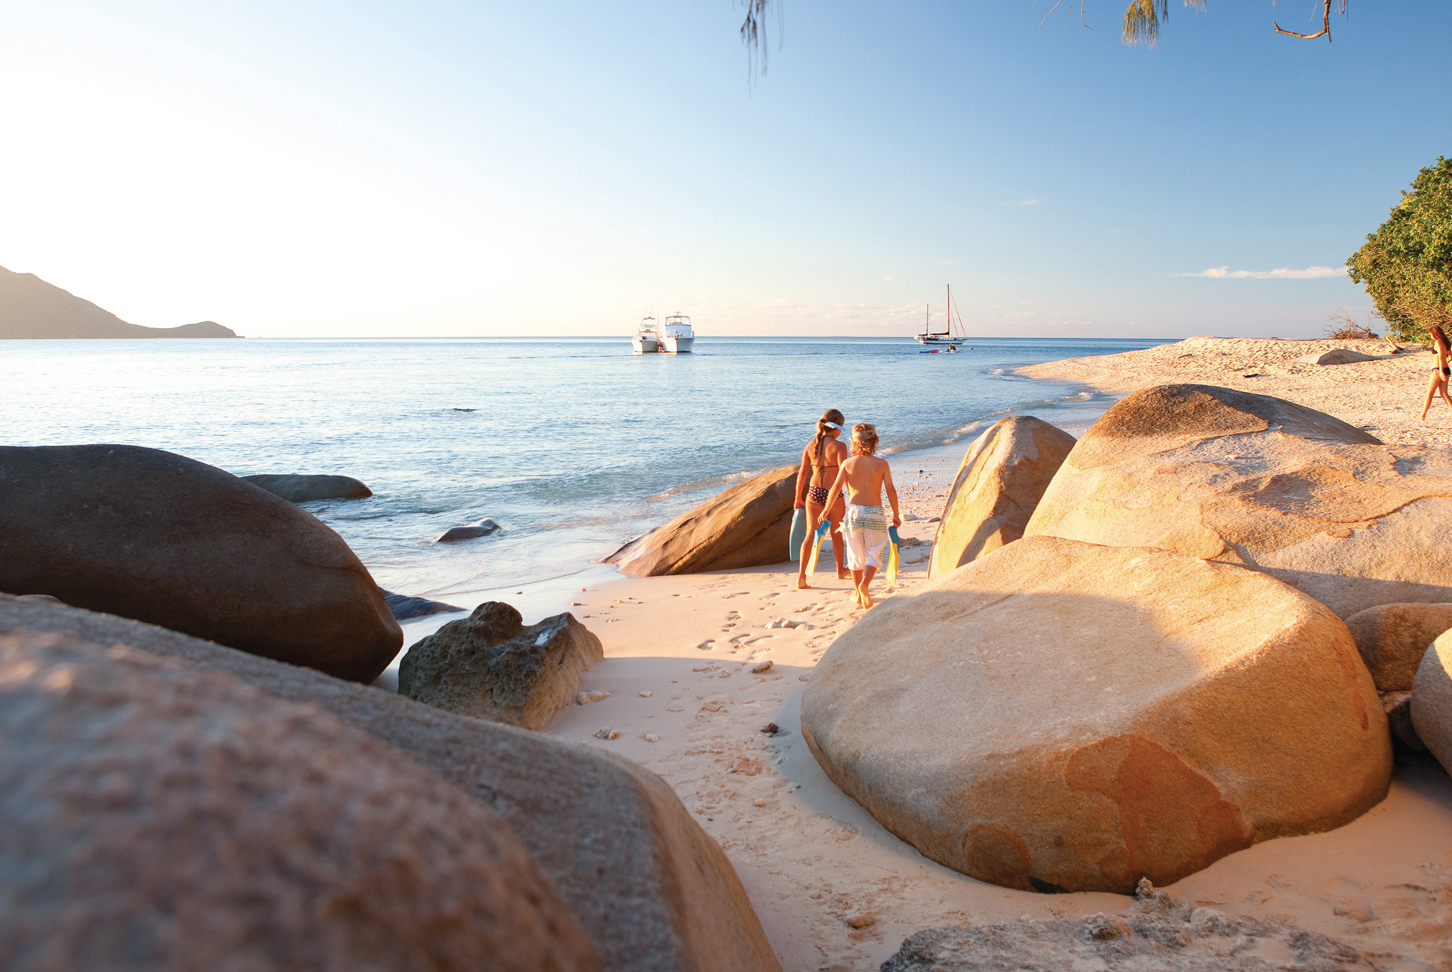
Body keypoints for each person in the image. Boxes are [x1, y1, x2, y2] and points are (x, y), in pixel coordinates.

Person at [824, 423, 900, 609]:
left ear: (853, 443)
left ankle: (858, 594)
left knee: (854, 554)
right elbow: (890, 489)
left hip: (854, 512)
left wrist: (827, 509)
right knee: (875, 552)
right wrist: (896, 513)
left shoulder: (847, 463)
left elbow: (835, 488)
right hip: (874, 512)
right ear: (876, 441)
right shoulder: (881, 464)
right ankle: (864, 585)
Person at [795, 409, 849, 588]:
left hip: (813, 493)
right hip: (833, 494)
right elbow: (844, 474)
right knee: (836, 534)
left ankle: (802, 577)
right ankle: (840, 570)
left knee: (810, 534)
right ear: (837, 427)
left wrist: (798, 497)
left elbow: (802, 473)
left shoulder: (811, 445)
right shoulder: (840, 446)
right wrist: (852, 493)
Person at [1421, 324, 1452, 421]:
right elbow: (1450, 356)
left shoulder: (1438, 343)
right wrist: (1445, 365)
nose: (1430, 336)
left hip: (1438, 370)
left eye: (1431, 334)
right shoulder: (1445, 343)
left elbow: (1442, 356)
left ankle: (1422, 415)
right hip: (1445, 369)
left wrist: (1441, 370)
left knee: (1429, 393)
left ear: (1435, 334)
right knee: (1444, 393)